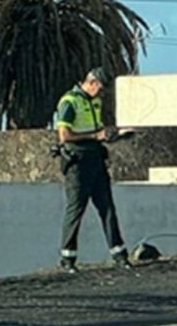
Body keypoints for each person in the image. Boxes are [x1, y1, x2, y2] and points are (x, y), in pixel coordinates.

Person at [53, 67, 130, 271]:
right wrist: (95, 136)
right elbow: (65, 136)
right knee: (76, 209)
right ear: (92, 82)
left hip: (95, 158)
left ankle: (119, 254)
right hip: (77, 161)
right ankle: (68, 259)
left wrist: (112, 135)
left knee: (107, 207)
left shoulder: (95, 101)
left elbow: (95, 129)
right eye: (101, 88)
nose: (102, 93)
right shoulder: (69, 101)